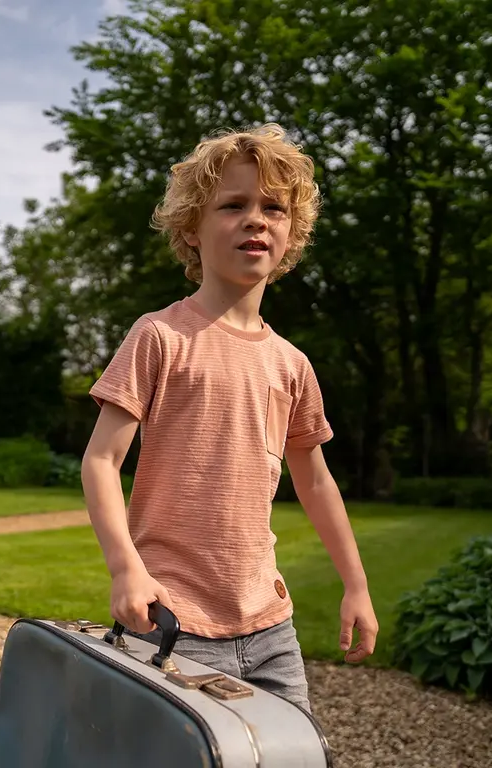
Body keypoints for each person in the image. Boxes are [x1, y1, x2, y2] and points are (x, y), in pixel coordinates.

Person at [81, 123, 378, 713]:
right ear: (191, 228)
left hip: (271, 628)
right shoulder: (159, 336)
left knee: (292, 752)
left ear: (292, 233)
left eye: (273, 208)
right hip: (170, 620)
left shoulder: (292, 365)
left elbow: (316, 482)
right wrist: (125, 570)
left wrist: (357, 585)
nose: (255, 220)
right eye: (233, 205)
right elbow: (101, 461)